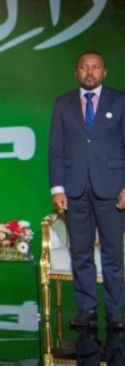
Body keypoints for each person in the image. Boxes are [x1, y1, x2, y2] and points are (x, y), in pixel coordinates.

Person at [49, 51, 125, 332]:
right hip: (75, 190)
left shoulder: (120, 101)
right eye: (84, 67)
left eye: (95, 67)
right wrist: (58, 188)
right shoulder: (63, 104)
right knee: (80, 253)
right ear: (76, 72)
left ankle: (116, 312)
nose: (89, 72)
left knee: (113, 255)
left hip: (112, 190)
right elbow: (56, 150)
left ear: (104, 72)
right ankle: (87, 310)